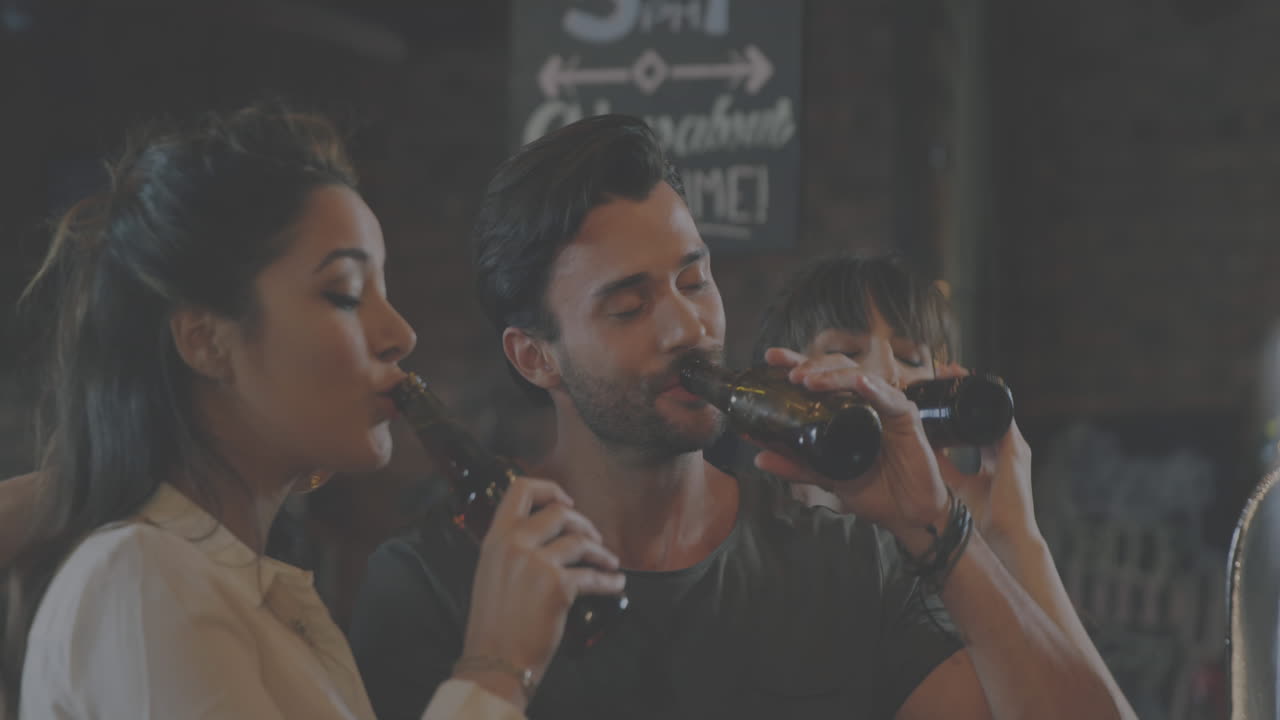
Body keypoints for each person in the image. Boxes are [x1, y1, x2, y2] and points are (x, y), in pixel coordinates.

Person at [349, 113, 1127, 719]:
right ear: (535, 357)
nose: (686, 327)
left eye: (694, 280)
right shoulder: (437, 581)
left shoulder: (853, 562)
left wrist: (945, 527)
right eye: (628, 306)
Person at [0, 103, 624, 719]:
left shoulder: (256, 599)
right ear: (204, 340)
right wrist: (495, 667)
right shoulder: (139, 580)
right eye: (345, 294)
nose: (401, 333)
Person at [742, 252, 1138, 716]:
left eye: (911, 358)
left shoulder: (967, 584)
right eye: (846, 352)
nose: (889, 373)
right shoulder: (750, 571)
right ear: (786, 389)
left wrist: (1012, 538)